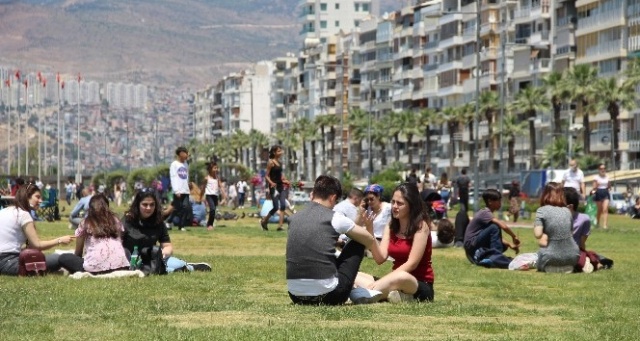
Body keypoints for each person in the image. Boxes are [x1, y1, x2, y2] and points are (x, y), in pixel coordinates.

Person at [286, 175, 384, 305]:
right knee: (357, 242)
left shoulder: (294, 218)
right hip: (329, 296)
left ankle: (353, 288)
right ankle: (355, 291)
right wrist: (369, 228)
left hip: (296, 296)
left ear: (313, 194)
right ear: (332, 197)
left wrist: (337, 241)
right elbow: (367, 239)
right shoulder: (334, 217)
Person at [355, 183, 435, 303]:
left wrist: (383, 281)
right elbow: (379, 258)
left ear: (411, 205)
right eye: (393, 202)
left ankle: (366, 293)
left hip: (417, 283)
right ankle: (393, 295)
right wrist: (370, 229)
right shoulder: (391, 225)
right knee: (355, 275)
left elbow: (412, 264)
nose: (394, 206)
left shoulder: (421, 226)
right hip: (393, 279)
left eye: (400, 203)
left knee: (401, 277)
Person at [121, 189, 211, 272]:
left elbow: (167, 246)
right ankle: (176, 269)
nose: (149, 208)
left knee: (176, 264)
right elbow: (117, 244)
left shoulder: (158, 222)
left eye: (152, 204)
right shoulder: (127, 220)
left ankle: (188, 267)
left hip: (152, 258)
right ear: (137, 205)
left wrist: (162, 254)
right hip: (130, 260)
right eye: (145, 205)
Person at [0, 184, 74, 276]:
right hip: (9, 262)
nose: (40, 201)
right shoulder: (23, 214)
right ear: (26, 197)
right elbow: (37, 245)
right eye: (37, 197)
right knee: (60, 258)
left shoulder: (4, 211)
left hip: (6, 260)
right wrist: (59, 240)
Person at [58, 194, 130, 274]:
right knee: (126, 251)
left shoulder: (85, 223)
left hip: (94, 270)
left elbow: (78, 252)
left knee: (63, 258)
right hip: (120, 267)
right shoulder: (116, 221)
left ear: (90, 209)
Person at [534, 182, 580, 273]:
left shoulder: (541, 211)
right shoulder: (567, 211)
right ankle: (566, 267)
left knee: (539, 254)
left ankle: (553, 266)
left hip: (550, 258)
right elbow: (570, 232)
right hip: (572, 257)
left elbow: (538, 234)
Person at [463, 189, 520, 260]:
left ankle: (490, 257)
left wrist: (509, 244)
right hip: (471, 246)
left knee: (503, 245)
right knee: (495, 227)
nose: (500, 203)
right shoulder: (485, 212)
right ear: (490, 201)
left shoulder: (487, 213)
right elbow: (503, 226)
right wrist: (513, 236)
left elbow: (495, 237)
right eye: (498, 200)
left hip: (473, 246)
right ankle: (497, 259)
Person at [260, 145, 290, 231]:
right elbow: (266, 176)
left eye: (281, 151)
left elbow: (280, 176)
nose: (281, 152)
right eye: (279, 151)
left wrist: (285, 180)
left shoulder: (279, 163)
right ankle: (264, 221)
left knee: (283, 205)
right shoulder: (271, 162)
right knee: (276, 207)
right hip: (274, 188)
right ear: (274, 152)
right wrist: (271, 183)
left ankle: (280, 226)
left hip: (281, 186)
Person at [200, 162, 227, 231]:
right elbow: (203, 188)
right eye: (215, 168)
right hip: (209, 196)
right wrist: (201, 196)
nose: (216, 169)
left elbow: (221, 187)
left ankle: (209, 223)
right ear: (210, 169)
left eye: (216, 168)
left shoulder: (217, 178)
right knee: (212, 209)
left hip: (215, 196)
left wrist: (224, 196)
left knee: (213, 210)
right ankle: (210, 225)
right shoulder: (207, 178)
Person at [170, 146, 191, 231]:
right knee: (176, 208)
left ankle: (181, 226)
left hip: (185, 189)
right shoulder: (174, 164)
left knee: (185, 207)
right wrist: (176, 190)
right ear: (180, 154)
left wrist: (188, 184)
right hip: (178, 190)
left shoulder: (186, 164)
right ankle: (168, 221)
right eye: (185, 153)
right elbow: (173, 177)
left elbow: (186, 176)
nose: (187, 155)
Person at [592, 164, 611, 229]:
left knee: (605, 209)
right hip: (598, 192)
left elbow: (609, 186)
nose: (603, 170)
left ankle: (605, 225)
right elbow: (594, 188)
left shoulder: (607, 177)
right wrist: (597, 185)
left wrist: (609, 187)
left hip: (605, 192)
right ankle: (597, 222)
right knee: (599, 210)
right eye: (601, 168)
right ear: (599, 169)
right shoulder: (596, 177)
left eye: (604, 168)